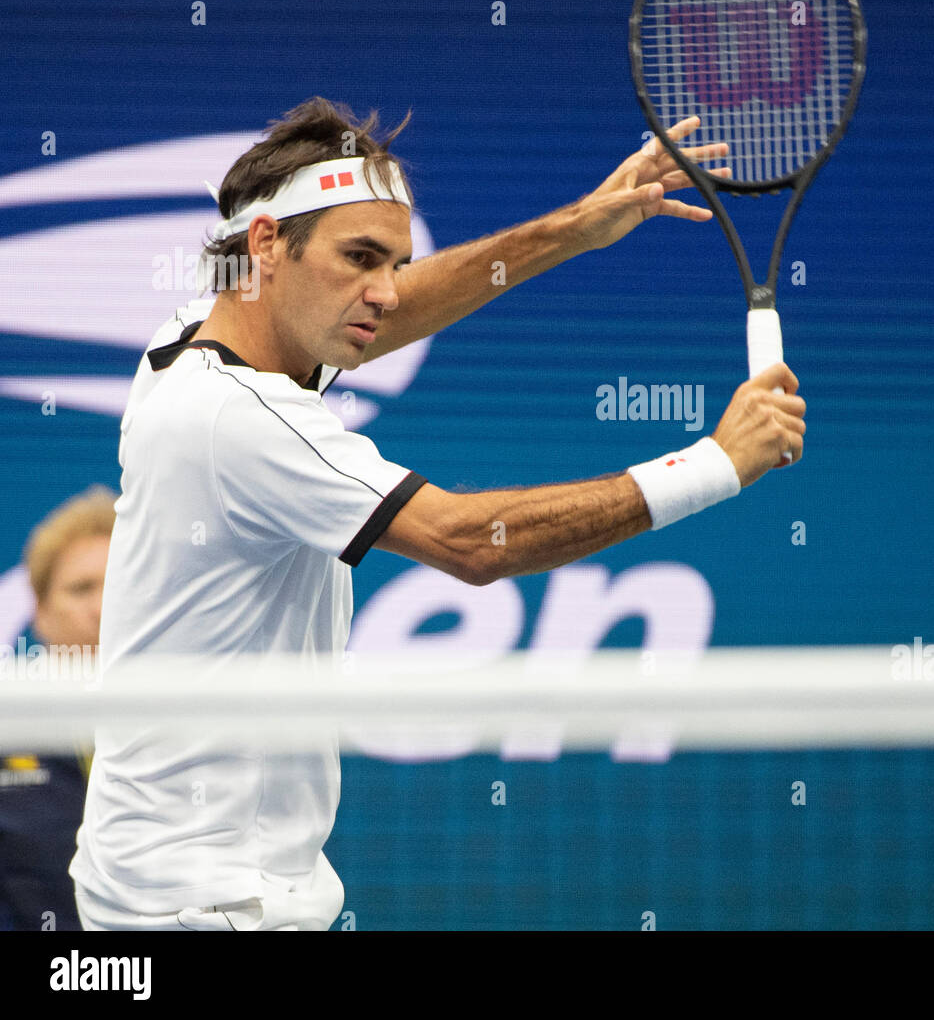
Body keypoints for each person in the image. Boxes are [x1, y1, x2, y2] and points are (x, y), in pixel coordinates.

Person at [70, 97, 806, 930]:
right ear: (269, 245)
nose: (382, 293)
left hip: (166, 883)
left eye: (393, 261)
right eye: (359, 258)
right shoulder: (237, 418)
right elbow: (471, 543)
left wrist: (579, 226)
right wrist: (717, 462)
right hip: (209, 904)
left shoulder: (192, 337)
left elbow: (396, 307)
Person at [0, 486, 115, 930]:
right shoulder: (9, 724)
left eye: (122, 586)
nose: (104, 608)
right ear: (41, 613)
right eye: (82, 588)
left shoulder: (212, 723)